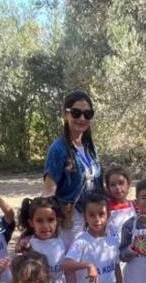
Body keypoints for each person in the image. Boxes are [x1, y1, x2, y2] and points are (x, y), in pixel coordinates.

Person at [43, 91, 103, 243]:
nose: (82, 118)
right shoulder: (57, 149)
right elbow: (49, 190)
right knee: (75, 262)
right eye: (76, 113)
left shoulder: (90, 148)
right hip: (71, 219)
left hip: (93, 216)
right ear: (65, 114)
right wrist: (39, 226)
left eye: (87, 114)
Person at [17, 197, 68, 283]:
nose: (45, 226)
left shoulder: (63, 239)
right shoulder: (29, 244)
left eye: (50, 220)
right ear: (31, 222)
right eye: (40, 221)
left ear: (57, 220)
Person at [103, 164, 135, 283]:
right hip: (111, 255)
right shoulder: (105, 209)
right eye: (113, 184)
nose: (118, 188)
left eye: (121, 183)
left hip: (130, 255)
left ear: (128, 184)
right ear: (107, 187)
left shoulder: (134, 206)